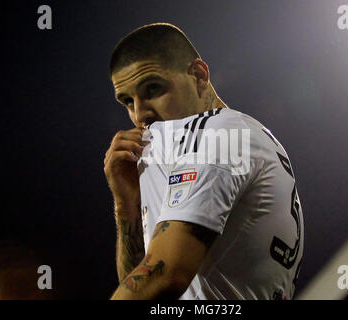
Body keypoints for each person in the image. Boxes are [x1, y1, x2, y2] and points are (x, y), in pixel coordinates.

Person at [105, 22, 304, 300]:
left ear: (198, 76)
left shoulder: (219, 133)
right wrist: (126, 202)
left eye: (153, 89)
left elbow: (165, 275)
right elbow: (142, 279)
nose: (139, 115)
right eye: (127, 101)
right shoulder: (230, 135)